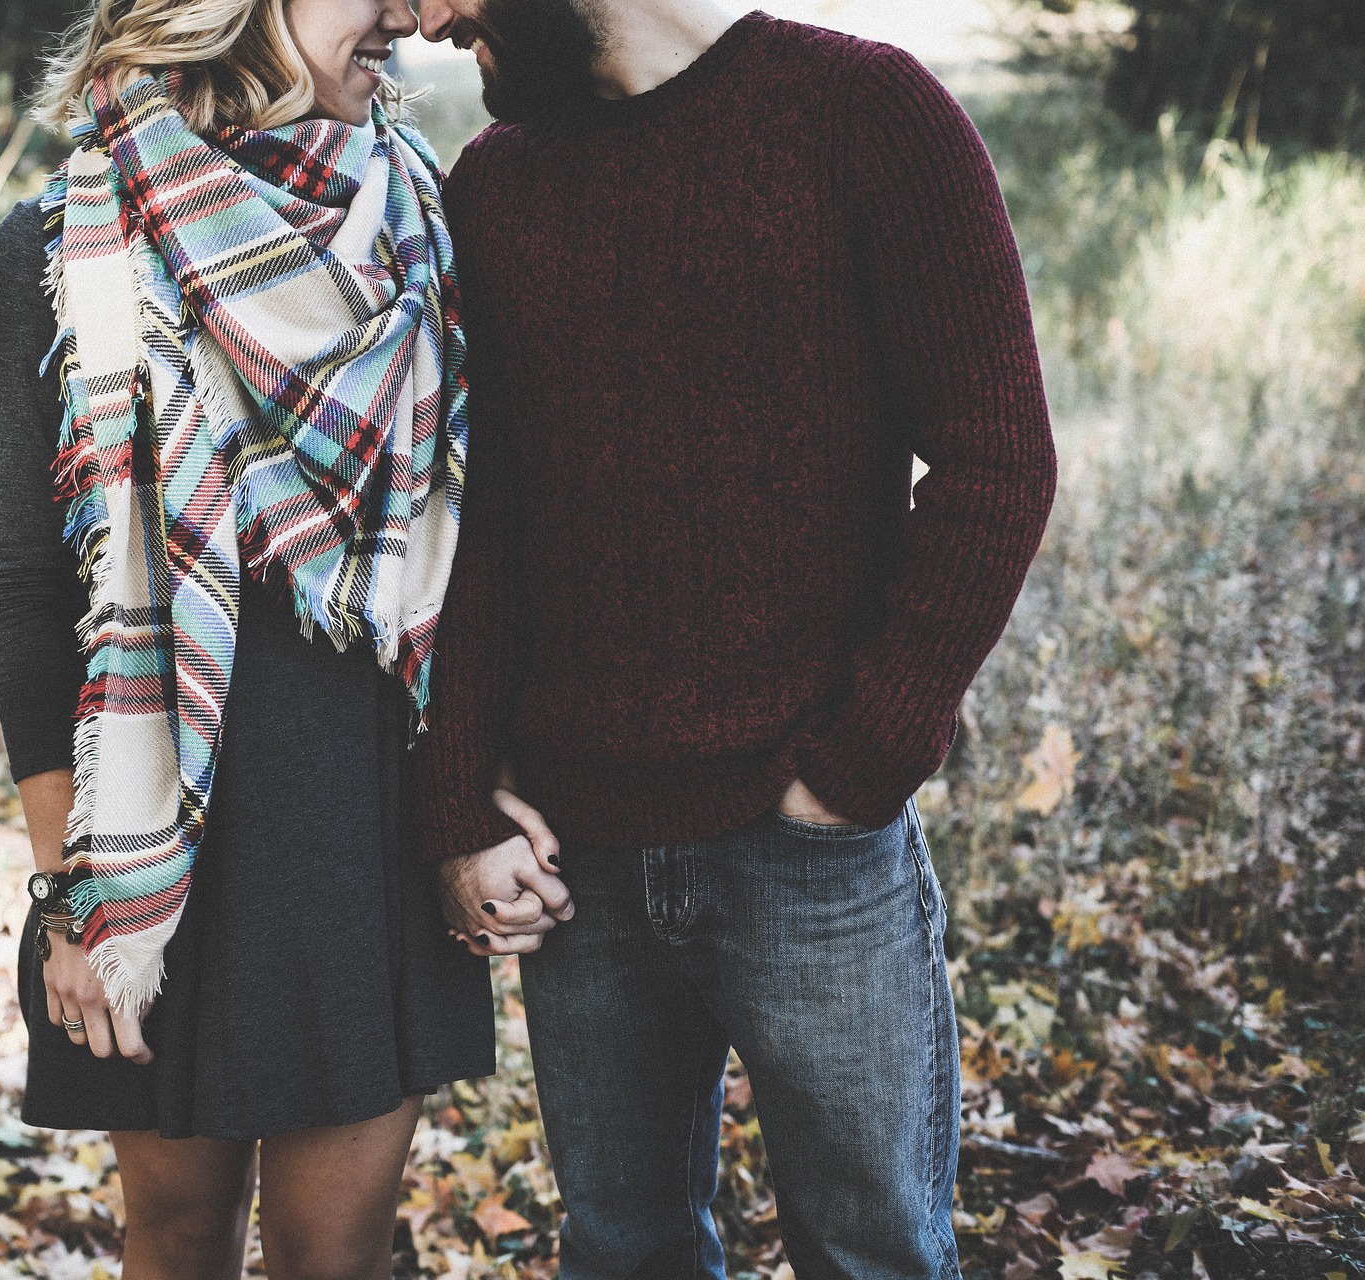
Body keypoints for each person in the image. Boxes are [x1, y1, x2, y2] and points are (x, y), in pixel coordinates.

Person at [413, 1, 1060, 1277]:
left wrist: (855, 766)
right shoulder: (492, 186)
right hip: (576, 860)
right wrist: (455, 799)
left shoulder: (865, 116)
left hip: (807, 851)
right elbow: (478, 518)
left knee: (870, 1251)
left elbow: (997, 459)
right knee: (624, 1248)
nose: (429, 16)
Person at [0, 1, 559, 1275]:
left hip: (367, 825)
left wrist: (481, 784)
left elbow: (489, 538)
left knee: (328, 1252)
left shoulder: (427, 227)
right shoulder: (58, 248)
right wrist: (71, 891)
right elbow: (29, 590)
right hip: (165, 831)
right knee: (177, 1238)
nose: (409, 13)